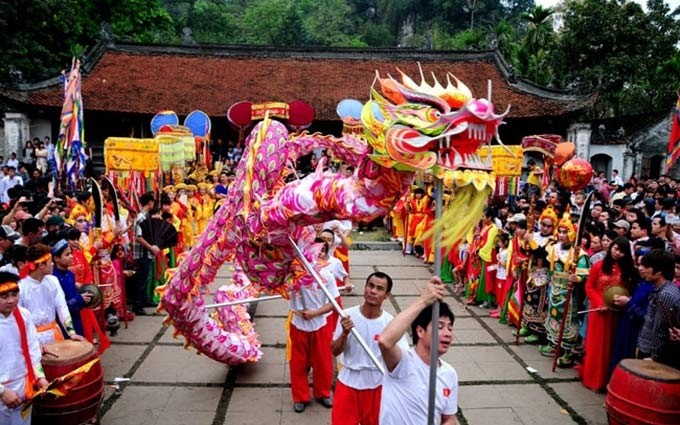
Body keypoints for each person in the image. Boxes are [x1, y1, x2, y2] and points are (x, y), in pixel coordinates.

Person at [378, 276, 458, 425]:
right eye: (439, 327)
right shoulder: (403, 362)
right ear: (420, 331)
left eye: (450, 327)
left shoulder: (449, 374)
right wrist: (423, 301)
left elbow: (449, 417)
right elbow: (384, 341)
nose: (447, 333)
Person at [330, 272, 406, 425]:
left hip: (377, 383)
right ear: (365, 287)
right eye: (370, 286)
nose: (373, 291)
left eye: (379, 288)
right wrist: (344, 334)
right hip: (348, 381)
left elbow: (402, 360)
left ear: (386, 295)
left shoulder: (391, 323)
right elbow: (334, 350)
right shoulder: (347, 316)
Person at [580, 237, 637, 392]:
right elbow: (589, 287)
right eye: (616, 248)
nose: (617, 253)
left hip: (616, 312)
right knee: (596, 345)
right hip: (598, 312)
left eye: (622, 251)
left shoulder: (628, 271)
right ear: (611, 247)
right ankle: (593, 379)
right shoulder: (598, 266)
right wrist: (599, 303)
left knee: (611, 345)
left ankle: (607, 379)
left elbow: (630, 290)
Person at [287, 250, 334, 413]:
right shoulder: (290, 273)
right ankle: (300, 397)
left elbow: (333, 302)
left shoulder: (327, 275)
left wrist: (315, 313)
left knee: (322, 361)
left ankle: (323, 393)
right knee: (298, 363)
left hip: (319, 324)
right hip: (298, 324)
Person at [0, 271, 49, 425]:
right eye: (4, 296)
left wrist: (40, 377)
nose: (11, 300)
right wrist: (2, 392)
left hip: (23, 386)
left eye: (15, 294)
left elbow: (33, 349)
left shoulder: (24, 315)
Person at [18, 243, 84, 345]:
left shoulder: (53, 280)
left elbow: (62, 307)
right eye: (50, 262)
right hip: (32, 339)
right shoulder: (21, 287)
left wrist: (71, 332)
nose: (53, 264)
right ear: (41, 265)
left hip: (54, 334)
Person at [636, 250, 680, 369]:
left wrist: (655, 358)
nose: (641, 269)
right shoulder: (660, 289)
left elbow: (659, 330)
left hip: (651, 354)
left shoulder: (665, 295)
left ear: (659, 272)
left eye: (646, 266)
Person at [131, 193, 159, 316]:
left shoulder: (145, 216)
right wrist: (151, 247)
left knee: (145, 277)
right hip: (142, 253)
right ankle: (137, 305)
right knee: (141, 279)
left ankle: (144, 300)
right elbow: (138, 237)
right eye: (153, 202)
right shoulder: (141, 217)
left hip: (145, 253)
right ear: (150, 202)